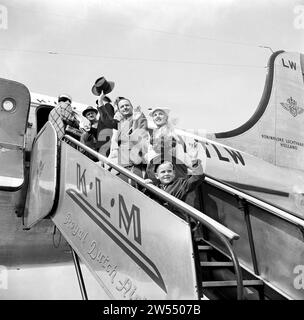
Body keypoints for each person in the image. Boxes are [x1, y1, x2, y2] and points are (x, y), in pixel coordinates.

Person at [145, 107, 192, 182]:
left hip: (167, 171)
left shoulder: (172, 133)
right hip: (153, 169)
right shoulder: (154, 133)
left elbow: (180, 155)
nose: (157, 116)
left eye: (161, 114)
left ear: (166, 117)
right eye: (155, 115)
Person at [108, 97, 149, 181]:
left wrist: (135, 121)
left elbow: (140, 136)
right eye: (122, 107)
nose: (125, 107)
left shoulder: (139, 117)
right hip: (120, 161)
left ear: (132, 107)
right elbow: (114, 140)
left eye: (127, 105)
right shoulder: (120, 123)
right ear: (119, 110)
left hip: (134, 160)